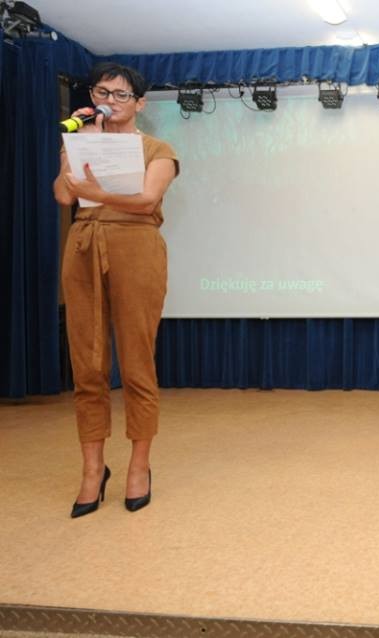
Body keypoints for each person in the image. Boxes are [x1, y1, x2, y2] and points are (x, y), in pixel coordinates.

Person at [53, 62, 179, 517]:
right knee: (86, 364)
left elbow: (146, 201)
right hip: (84, 245)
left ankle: (139, 466)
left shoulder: (157, 149)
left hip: (136, 247)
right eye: (102, 92)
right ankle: (93, 469)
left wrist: (100, 192)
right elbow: (64, 196)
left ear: (139, 103)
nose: (109, 100)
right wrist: (75, 151)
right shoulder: (80, 140)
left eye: (121, 94)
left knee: (137, 362)